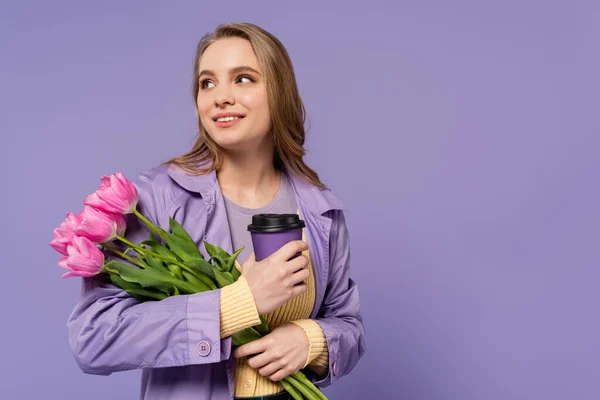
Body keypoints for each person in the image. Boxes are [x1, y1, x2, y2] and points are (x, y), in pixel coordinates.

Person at [66, 22, 365, 400]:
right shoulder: (155, 200)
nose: (220, 97)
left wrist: (313, 340)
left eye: (243, 79)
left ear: (280, 92)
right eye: (207, 83)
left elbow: (348, 324)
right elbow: (93, 337)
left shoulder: (321, 209)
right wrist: (237, 304)